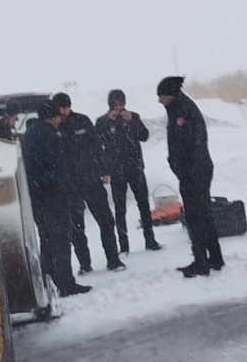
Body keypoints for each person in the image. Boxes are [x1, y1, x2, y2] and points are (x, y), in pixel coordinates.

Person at [19, 100, 90, 296]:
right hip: (53, 196)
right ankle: (66, 283)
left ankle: (47, 279)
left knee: (47, 239)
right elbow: (59, 170)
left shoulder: (29, 134)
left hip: (36, 196)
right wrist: (70, 193)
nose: (60, 120)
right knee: (60, 240)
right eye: (58, 116)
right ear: (52, 117)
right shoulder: (51, 135)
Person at [157, 75, 222, 278]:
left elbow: (191, 145)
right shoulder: (178, 108)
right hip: (194, 170)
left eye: (162, 96)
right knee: (203, 214)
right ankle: (215, 258)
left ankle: (201, 262)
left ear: (171, 94)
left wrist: (184, 170)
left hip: (195, 172)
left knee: (195, 217)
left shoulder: (183, 111)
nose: (160, 100)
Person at [52, 92, 124, 273]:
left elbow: (97, 146)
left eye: (66, 107)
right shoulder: (54, 127)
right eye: (60, 108)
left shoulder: (82, 121)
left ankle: (113, 259)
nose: (63, 111)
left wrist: (104, 170)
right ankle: (85, 264)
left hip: (91, 178)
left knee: (106, 221)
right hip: (70, 184)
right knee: (76, 227)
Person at [95, 88, 163, 253]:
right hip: (117, 170)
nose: (118, 108)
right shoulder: (102, 121)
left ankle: (150, 239)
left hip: (135, 167)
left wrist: (133, 120)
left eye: (121, 104)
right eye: (115, 104)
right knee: (120, 208)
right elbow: (98, 142)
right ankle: (124, 245)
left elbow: (144, 136)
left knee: (143, 204)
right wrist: (107, 123)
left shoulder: (133, 117)